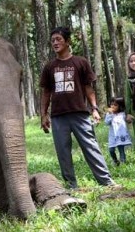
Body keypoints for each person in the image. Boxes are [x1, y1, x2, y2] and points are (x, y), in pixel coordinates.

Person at [40, 26, 117, 189]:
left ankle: (106, 181)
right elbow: (46, 92)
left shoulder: (80, 62)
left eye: (58, 39)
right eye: (53, 40)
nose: (55, 43)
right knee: (63, 152)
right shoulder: (49, 67)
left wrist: (94, 108)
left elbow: (88, 88)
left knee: (91, 147)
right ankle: (71, 185)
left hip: (80, 114)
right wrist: (43, 115)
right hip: (58, 116)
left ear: (68, 41)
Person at [104, 97, 132, 166]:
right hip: (112, 135)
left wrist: (130, 119)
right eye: (111, 104)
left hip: (120, 135)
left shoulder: (123, 114)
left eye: (115, 105)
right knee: (111, 150)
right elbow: (107, 122)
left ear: (120, 106)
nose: (112, 106)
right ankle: (115, 160)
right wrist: (110, 114)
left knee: (121, 150)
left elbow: (128, 121)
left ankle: (123, 162)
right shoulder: (109, 114)